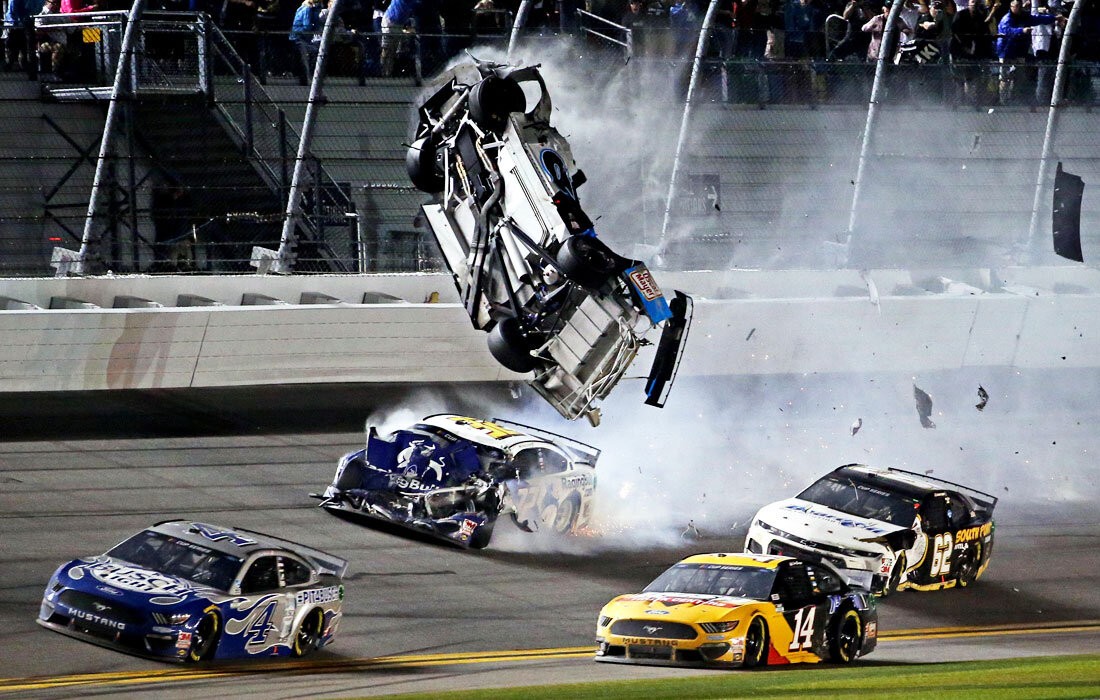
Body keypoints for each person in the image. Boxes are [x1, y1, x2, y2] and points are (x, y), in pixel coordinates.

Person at [995, 0, 1056, 103]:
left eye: (1020, 6)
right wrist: (1021, 30)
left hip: (1019, 51)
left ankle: (1015, 99)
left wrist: (1054, 18)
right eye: (1016, 6)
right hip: (1006, 52)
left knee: (1019, 77)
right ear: (1011, 6)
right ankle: (1003, 101)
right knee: (1005, 78)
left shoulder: (1024, 16)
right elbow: (1007, 30)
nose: (1019, 8)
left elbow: (1037, 19)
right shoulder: (1007, 18)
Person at [379, 0, 418, 76]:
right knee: (387, 48)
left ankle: (389, 72)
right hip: (390, 20)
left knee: (394, 50)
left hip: (399, 23)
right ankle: (382, 70)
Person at [289, 0, 321, 84]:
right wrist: (312, 28)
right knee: (304, 58)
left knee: (313, 53)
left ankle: (308, 77)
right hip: (300, 37)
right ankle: (306, 78)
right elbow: (307, 25)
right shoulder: (306, 9)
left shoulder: (308, 9)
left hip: (302, 37)